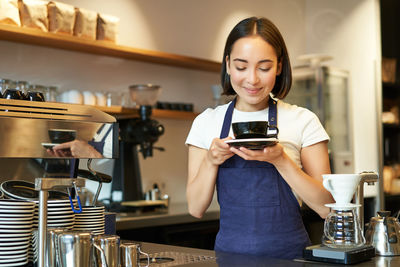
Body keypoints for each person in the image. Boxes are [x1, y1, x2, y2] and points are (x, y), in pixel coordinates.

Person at [185, 17, 334, 259]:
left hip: (290, 257)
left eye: (264, 68)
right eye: (241, 67)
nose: (252, 79)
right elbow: (195, 208)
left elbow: (327, 208)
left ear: (279, 66)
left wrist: (281, 160)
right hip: (229, 258)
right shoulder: (206, 122)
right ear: (228, 64)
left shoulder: (303, 120)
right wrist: (211, 160)